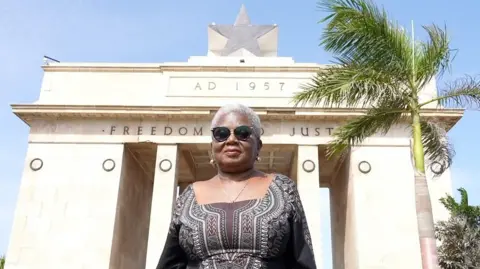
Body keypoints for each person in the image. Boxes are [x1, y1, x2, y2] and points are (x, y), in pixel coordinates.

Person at [156, 103, 317, 269]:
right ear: (212, 147)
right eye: (221, 134)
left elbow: (302, 261)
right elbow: (170, 264)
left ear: (258, 146)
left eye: (243, 133)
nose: (231, 139)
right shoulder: (188, 197)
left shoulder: (283, 189)